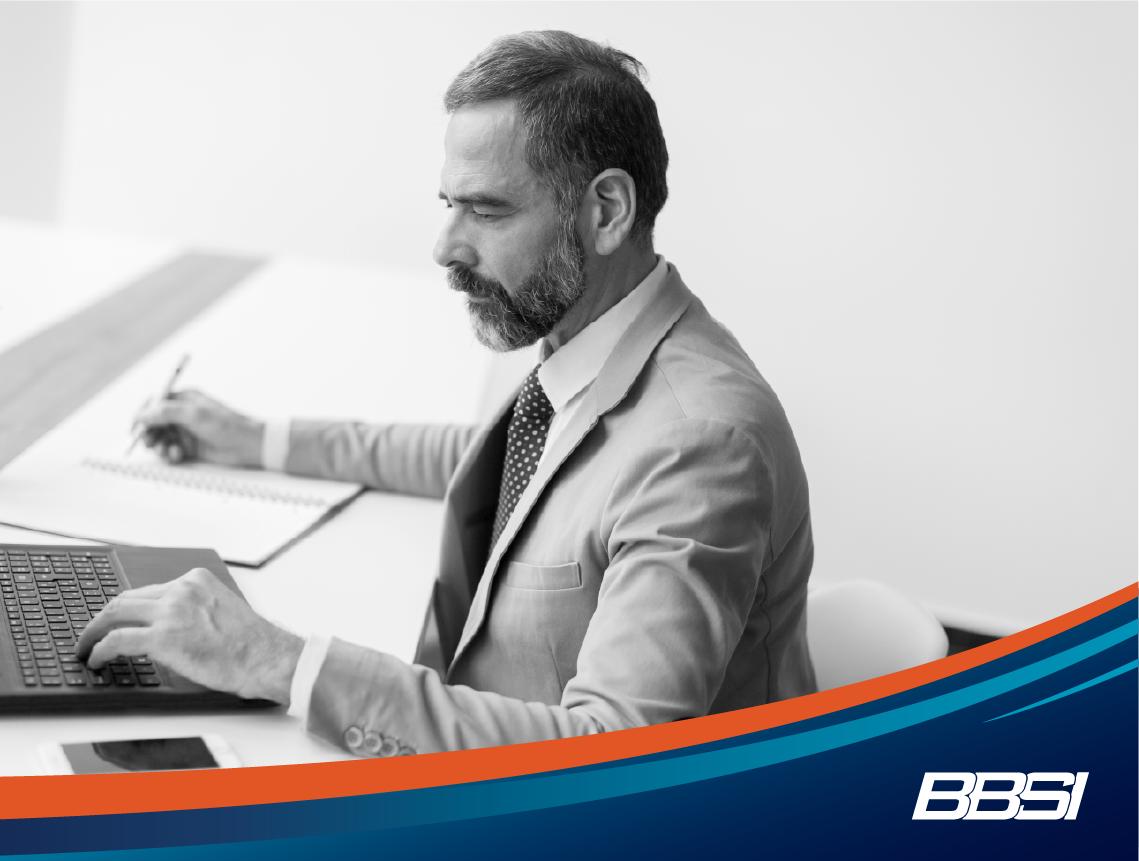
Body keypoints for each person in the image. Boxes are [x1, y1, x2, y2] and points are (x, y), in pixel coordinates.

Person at [76, 30, 816, 756]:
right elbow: (508, 467)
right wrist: (257, 438)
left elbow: (615, 749)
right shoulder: (596, 344)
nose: (445, 247)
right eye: (448, 204)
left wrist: (279, 662)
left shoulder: (699, 441)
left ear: (606, 211)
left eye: (487, 211)